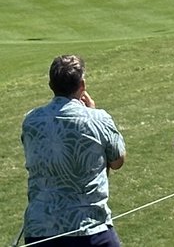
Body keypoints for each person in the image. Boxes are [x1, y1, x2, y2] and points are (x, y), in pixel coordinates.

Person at [22, 55, 126, 246]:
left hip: (39, 228)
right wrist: (93, 112)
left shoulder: (31, 120)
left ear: (50, 84)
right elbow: (117, 160)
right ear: (82, 85)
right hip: (89, 227)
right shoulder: (98, 119)